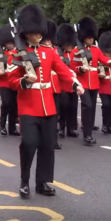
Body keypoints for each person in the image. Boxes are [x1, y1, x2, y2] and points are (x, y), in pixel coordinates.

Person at [7, 4, 84, 199]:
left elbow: (63, 71)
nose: (38, 35)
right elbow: (11, 80)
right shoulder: (18, 54)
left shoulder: (49, 52)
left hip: (48, 106)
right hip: (28, 107)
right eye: (34, 32)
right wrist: (24, 80)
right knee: (29, 143)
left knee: (48, 146)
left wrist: (75, 84)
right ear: (26, 33)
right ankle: (24, 181)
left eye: (39, 32)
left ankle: (42, 182)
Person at [73, 17, 111, 145]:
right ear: (83, 37)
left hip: (94, 83)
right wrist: (80, 68)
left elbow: (103, 59)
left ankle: (89, 133)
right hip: (83, 83)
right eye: (89, 37)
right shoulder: (77, 51)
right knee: (87, 106)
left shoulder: (96, 50)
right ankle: (86, 135)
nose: (91, 39)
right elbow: (72, 67)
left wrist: (110, 62)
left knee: (92, 108)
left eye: (92, 37)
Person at [40, 19, 63, 149]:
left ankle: (53, 139)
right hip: (45, 88)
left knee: (55, 115)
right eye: (47, 40)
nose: (49, 42)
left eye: (50, 40)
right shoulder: (40, 51)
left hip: (57, 88)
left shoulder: (55, 51)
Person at [56, 23, 80, 140]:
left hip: (73, 84)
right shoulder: (57, 52)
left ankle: (71, 128)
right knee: (63, 107)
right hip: (62, 84)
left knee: (73, 106)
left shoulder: (75, 52)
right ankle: (61, 128)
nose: (70, 46)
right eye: (68, 44)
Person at [0, 24, 19, 136]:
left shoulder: (16, 54)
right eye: (8, 43)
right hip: (4, 83)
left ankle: (12, 128)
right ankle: (2, 125)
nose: (10, 45)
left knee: (14, 105)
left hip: (14, 83)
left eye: (11, 43)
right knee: (6, 103)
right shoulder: (2, 55)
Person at [98, 31, 111, 134]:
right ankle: (104, 125)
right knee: (105, 105)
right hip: (103, 85)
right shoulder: (100, 58)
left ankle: (110, 125)